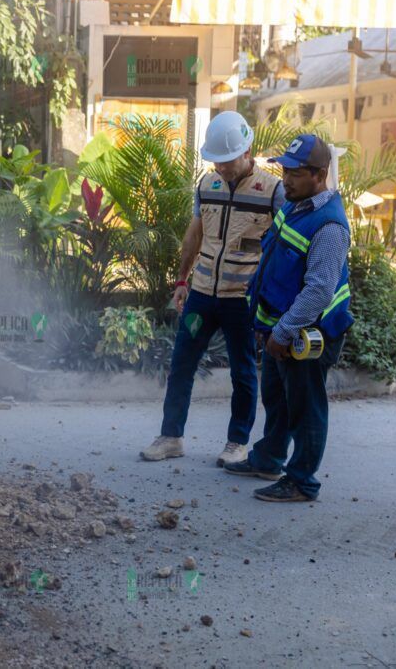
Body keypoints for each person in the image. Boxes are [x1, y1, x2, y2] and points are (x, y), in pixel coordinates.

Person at [141, 111, 285, 467]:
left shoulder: (273, 191)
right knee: (181, 365)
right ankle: (171, 436)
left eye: (227, 160)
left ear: (247, 149)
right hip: (202, 295)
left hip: (242, 301)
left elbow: (284, 249)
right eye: (216, 161)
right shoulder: (208, 186)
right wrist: (181, 280)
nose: (221, 167)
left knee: (242, 372)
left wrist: (271, 299)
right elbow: (194, 236)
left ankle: (237, 443)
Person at [224, 134, 354, 502]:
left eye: (296, 173)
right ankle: (269, 458)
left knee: (305, 405)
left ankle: (302, 481)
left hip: (310, 332)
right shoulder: (296, 206)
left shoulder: (329, 227)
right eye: (285, 170)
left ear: (320, 174)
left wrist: (282, 331)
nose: (287, 179)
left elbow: (318, 291)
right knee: (278, 397)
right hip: (283, 327)